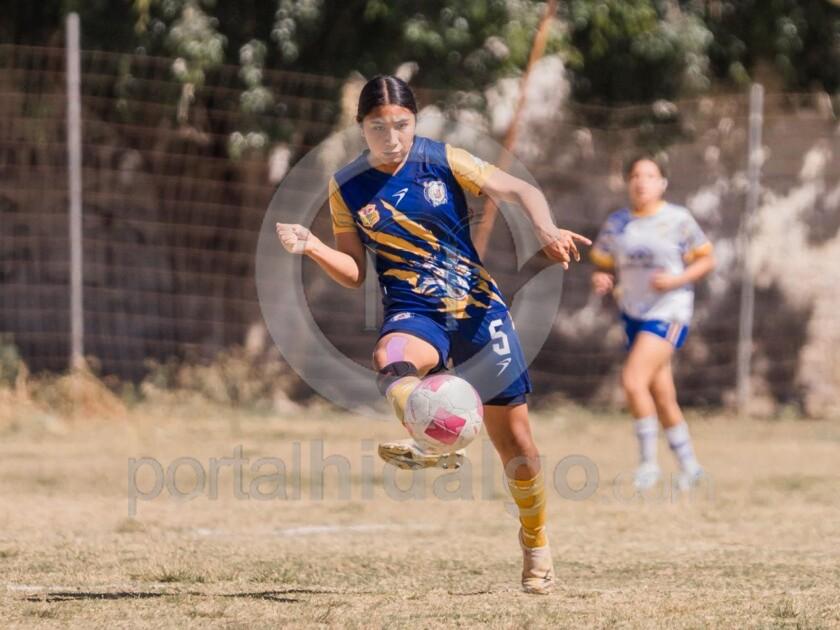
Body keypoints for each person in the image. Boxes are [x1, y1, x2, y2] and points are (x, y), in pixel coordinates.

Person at [276, 75, 590, 594]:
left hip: (478, 311)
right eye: (378, 127)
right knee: (390, 359)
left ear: (414, 122)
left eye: (401, 125)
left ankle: (535, 542)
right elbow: (353, 272)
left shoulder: (443, 159)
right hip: (414, 311)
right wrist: (312, 246)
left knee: (518, 445)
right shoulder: (347, 186)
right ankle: (432, 435)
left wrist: (545, 228)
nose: (392, 137)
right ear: (361, 127)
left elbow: (522, 189)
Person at [590, 153, 715, 491]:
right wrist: (602, 279)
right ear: (627, 183)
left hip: (669, 311)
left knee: (633, 381)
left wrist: (676, 280)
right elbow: (603, 265)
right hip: (633, 313)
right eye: (635, 176)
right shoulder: (617, 223)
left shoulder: (678, 219)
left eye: (649, 176)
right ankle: (691, 468)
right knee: (662, 394)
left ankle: (648, 466)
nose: (641, 182)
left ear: (663, 183)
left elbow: (707, 259)